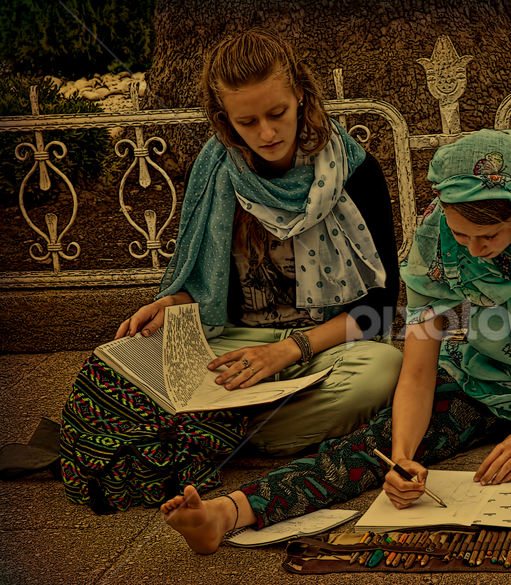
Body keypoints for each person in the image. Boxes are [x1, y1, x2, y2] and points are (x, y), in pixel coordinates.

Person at [162, 129, 511, 568]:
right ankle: (229, 513)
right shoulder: (436, 237)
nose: (474, 252)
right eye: (462, 236)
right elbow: (417, 368)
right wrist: (404, 456)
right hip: (483, 374)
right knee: (371, 445)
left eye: (490, 237)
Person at [83, 27, 403, 457]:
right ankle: (245, 430)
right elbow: (208, 289)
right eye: (247, 122)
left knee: (381, 370)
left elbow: (379, 310)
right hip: (233, 342)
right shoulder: (215, 173)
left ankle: (204, 434)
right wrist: (172, 303)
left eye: (278, 113)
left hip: (322, 346)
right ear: (224, 119)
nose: (267, 133)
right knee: (114, 367)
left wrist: (288, 350)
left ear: (301, 96)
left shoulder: (355, 172)